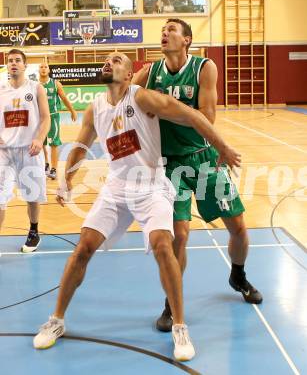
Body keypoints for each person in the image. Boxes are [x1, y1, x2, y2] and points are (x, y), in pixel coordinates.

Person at [33, 52, 241, 361]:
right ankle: (56, 320)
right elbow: (79, 146)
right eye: (106, 59)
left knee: (163, 246)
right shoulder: (95, 108)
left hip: (151, 186)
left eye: (117, 60)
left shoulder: (143, 98)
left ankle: (180, 327)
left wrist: (222, 146)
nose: (109, 61)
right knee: (83, 248)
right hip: (116, 188)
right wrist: (66, 181)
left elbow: (193, 115)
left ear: (130, 75)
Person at [132, 18, 263, 332]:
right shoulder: (149, 72)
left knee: (239, 229)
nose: (164, 33)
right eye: (162, 30)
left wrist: (163, 107)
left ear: (187, 40)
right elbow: (125, 93)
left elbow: (207, 116)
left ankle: (238, 275)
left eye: (172, 30)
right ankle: (171, 303)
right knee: (179, 238)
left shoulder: (205, 67)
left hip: (203, 159)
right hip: (169, 166)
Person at [0, 49, 50, 252]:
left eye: (17, 60)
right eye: (10, 60)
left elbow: (46, 118)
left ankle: (34, 231)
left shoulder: (36, 88)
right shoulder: (1, 89)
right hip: (5, 151)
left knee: (32, 195)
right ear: (6, 65)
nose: (13, 63)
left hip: (29, 150)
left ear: (25, 65)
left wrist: (39, 139)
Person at [39, 62, 77, 180]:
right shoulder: (34, 85)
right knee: (41, 143)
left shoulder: (55, 84)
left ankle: (54, 169)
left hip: (53, 116)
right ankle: (45, 164)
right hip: (39, 118)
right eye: (41, 66)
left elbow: (64, 98)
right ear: (38, 70)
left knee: (54, 143)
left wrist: (72, 111)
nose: (44, 69)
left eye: (46, 67)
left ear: (49, 70)